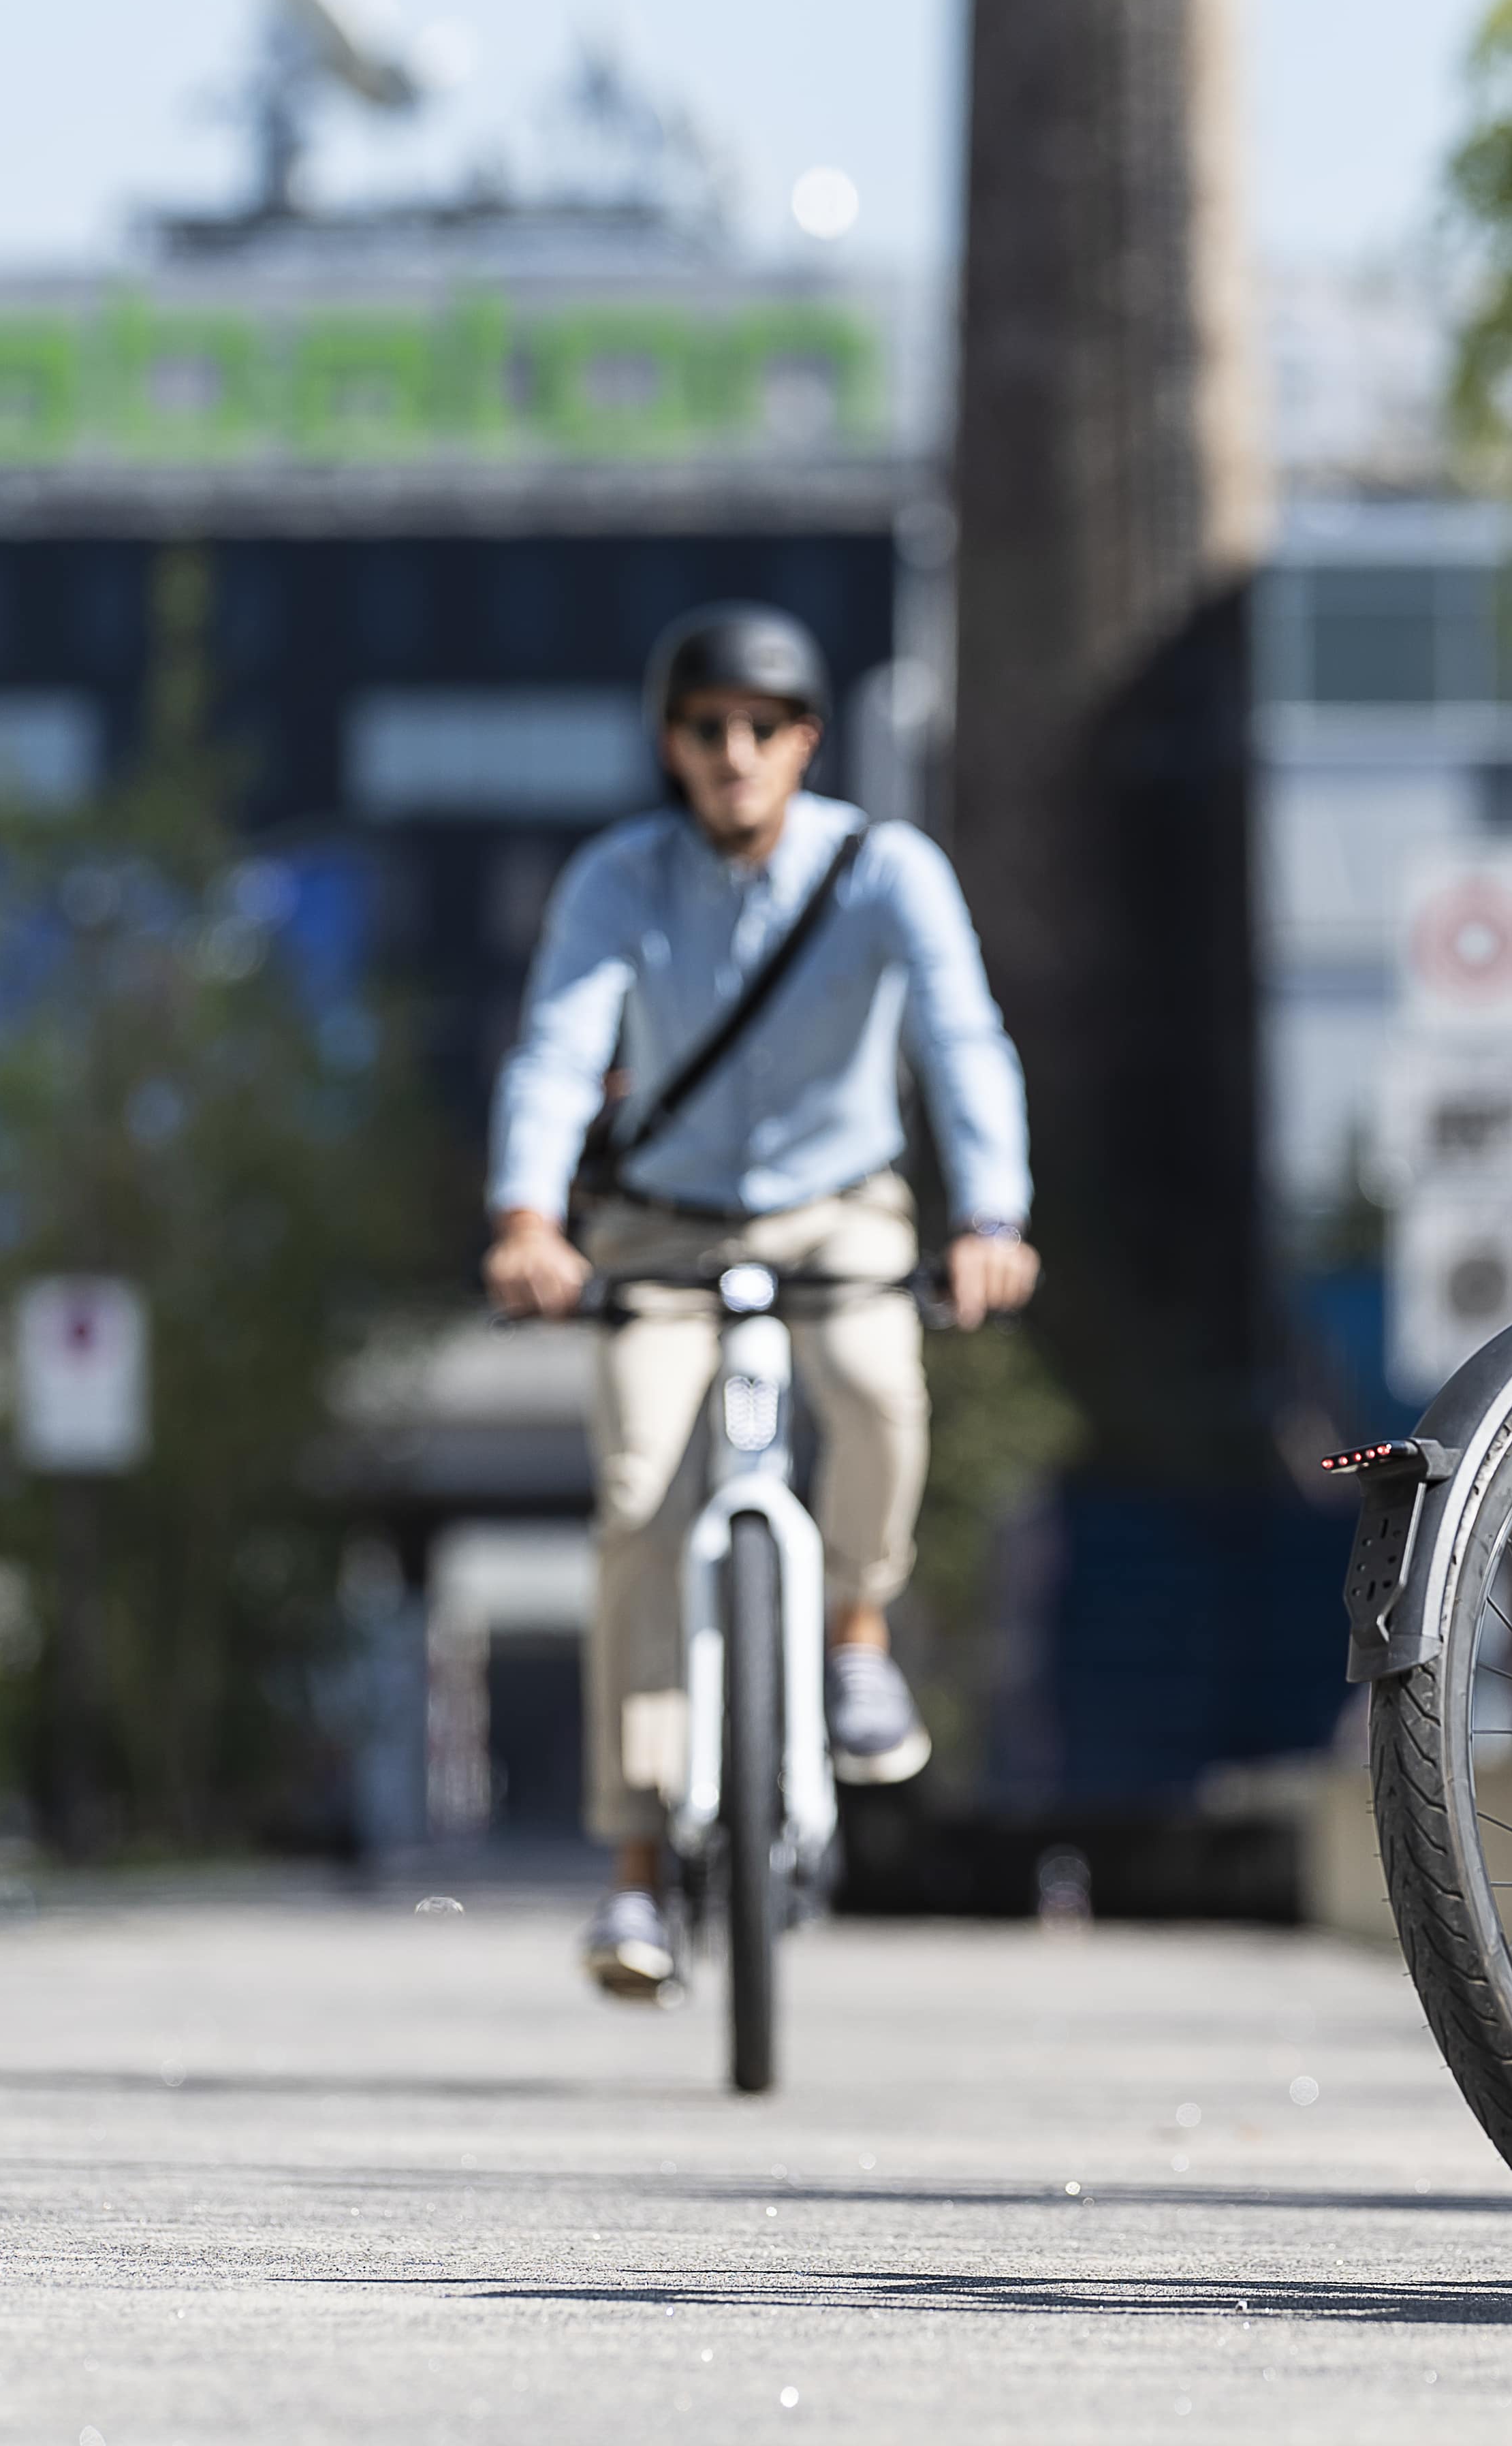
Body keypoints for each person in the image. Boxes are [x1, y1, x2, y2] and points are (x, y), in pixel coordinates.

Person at [486, 603, 1037, 2001]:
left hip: (836, 1206)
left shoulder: (886, 868)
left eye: (762, 728)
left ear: (806, 740)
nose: (733, 754)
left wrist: (990, 1217)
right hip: (660, 1222)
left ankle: (857, 1632)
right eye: (704, 728)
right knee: (633, 1493)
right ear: (671, 745)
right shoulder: (621, 876)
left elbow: (962, 1035)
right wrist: (529, 1218)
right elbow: (559, 1047)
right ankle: (632, 1871)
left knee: (873, 1387)